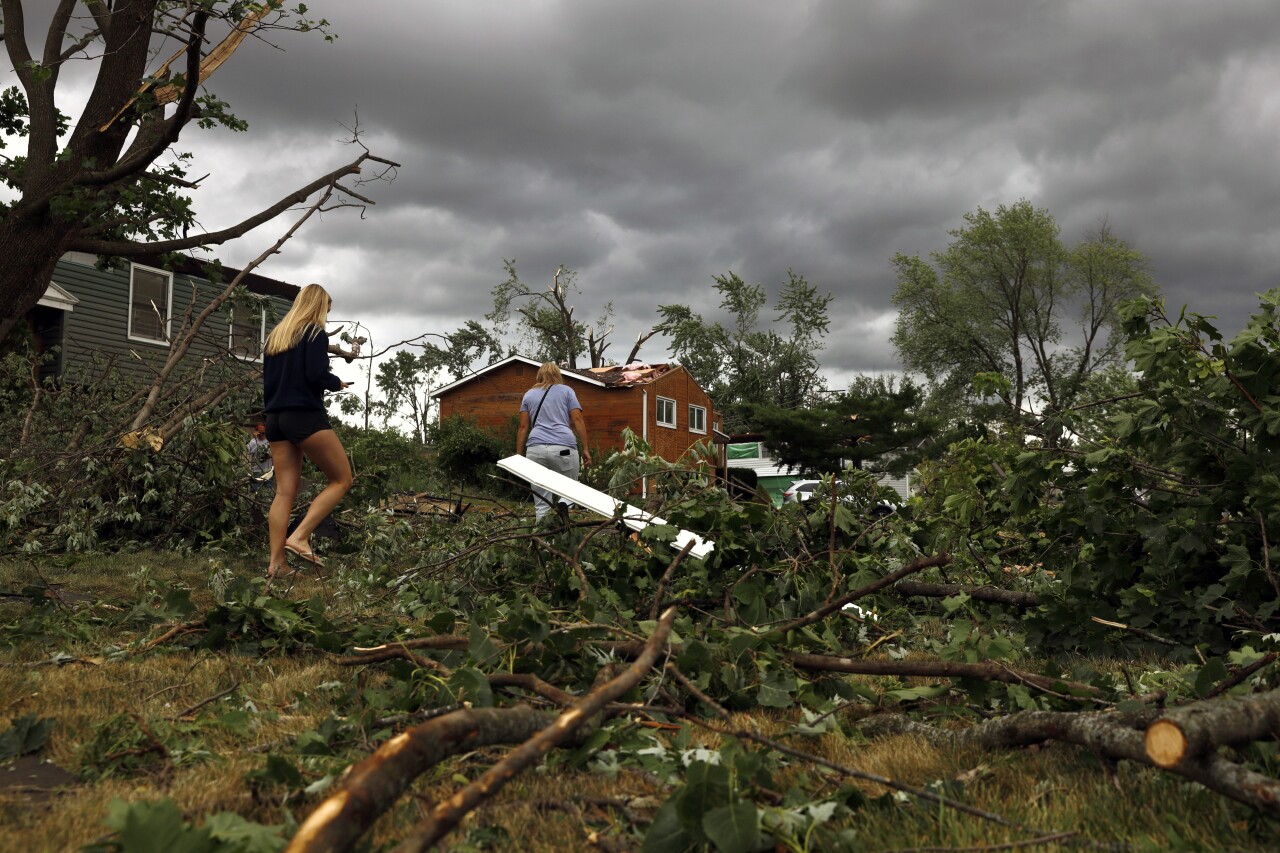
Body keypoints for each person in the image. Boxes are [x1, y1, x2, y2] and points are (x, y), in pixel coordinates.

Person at [261, 283, 353, 578]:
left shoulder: (276, 337)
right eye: (326, 308)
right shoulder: (314, 333)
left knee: (283, 492)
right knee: (341, 478)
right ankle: (300, 536)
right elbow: (314, 374)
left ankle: (277, 564)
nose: (326, 314)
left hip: (275, 417)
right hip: (303, 414)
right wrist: (335, 382)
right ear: (318, 306)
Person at [516, 362, 593, 522]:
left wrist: (519, 455)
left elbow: (523, 427)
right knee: (572, 489)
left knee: (541, 504)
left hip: (535, 450)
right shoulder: (567, 391)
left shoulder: (529, 395)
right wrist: (585, 448)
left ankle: (542, 542)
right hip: (563, 448)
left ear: (539, 375)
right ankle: (564, 503)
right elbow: (577, 418)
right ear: (558, 375)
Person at [246, 423, 272, 490]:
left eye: (263, 433)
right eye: (259, 433)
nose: (261, 435)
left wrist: (269, 455)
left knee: (268, 490)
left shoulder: (270, 442)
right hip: (256, 470)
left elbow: (276, 453)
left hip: (268, 470)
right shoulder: (253, 442)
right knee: (255, 490)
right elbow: (248, 451)